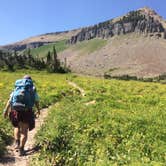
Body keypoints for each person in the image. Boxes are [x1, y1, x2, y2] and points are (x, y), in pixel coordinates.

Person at [3, 75, 40, 156]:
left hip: (16, 111)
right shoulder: (32, 89)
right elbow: (36, 101)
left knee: (16, 127)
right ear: (30, 81)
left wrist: (5, 111)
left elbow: (10, 100)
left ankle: (17, 142)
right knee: (24, 132)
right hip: (27, 112)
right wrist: (38, 110)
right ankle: (21, 149)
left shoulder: (17, 88)